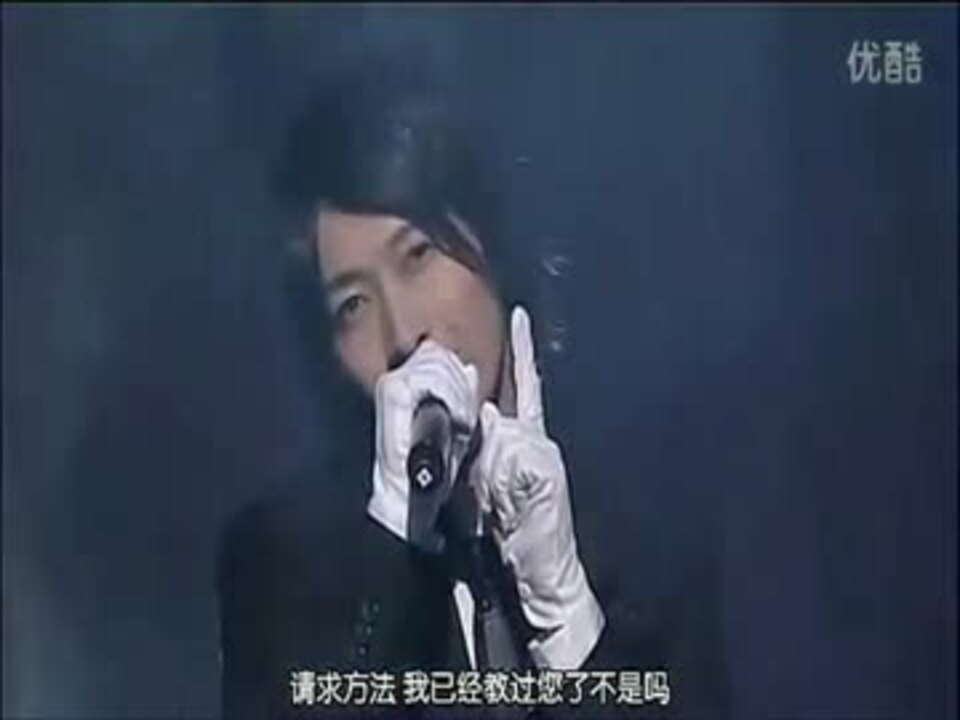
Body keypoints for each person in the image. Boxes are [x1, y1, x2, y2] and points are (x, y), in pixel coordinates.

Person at [216, 54, 728, 719]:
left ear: (493, 242)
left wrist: (565, 617)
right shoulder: (276, 563)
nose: (404, 333)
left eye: (417, 256)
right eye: (353, 305)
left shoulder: (652, 532)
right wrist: (396, 541)